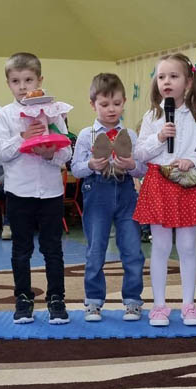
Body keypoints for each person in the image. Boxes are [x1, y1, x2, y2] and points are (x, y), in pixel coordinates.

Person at [134, 52, 196, 327]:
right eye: (161, 77)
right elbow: (140, 153)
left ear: (188, 82)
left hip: (185, 183)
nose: (166, 82)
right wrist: (159, 137)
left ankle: (189, 304)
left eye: (173, 76)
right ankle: (159, 305)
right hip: (158, 182)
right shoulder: (152, 116)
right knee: (161, 246)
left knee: (188, 246)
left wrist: (192, 159)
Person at [0, 52, 71, 324]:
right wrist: (22, 137)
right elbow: (1, 153)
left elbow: (66, 152)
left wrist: (50, 154)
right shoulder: (5, 115)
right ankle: (23, 299)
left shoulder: (53, 111)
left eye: (28, 80)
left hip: (51, 193)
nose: (22, 87)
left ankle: (56, 298)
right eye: (16, 81)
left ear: (40, 80)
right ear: (8, 84)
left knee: (53, 249)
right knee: (21, 249)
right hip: (19, 193)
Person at [71, 72, 145, 321]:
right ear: (93, 104)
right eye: (104, 104)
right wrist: (91, 164)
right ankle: (93, 301)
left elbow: (142, 169)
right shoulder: (86, 135)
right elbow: (75, 169)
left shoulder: (131, 135)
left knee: (132, 250)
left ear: (124, 102)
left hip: (126, 193)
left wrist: (132, 164)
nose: (111, 109)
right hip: (96, 193)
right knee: (95, 250)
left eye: (116, 103)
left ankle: (132, 300)